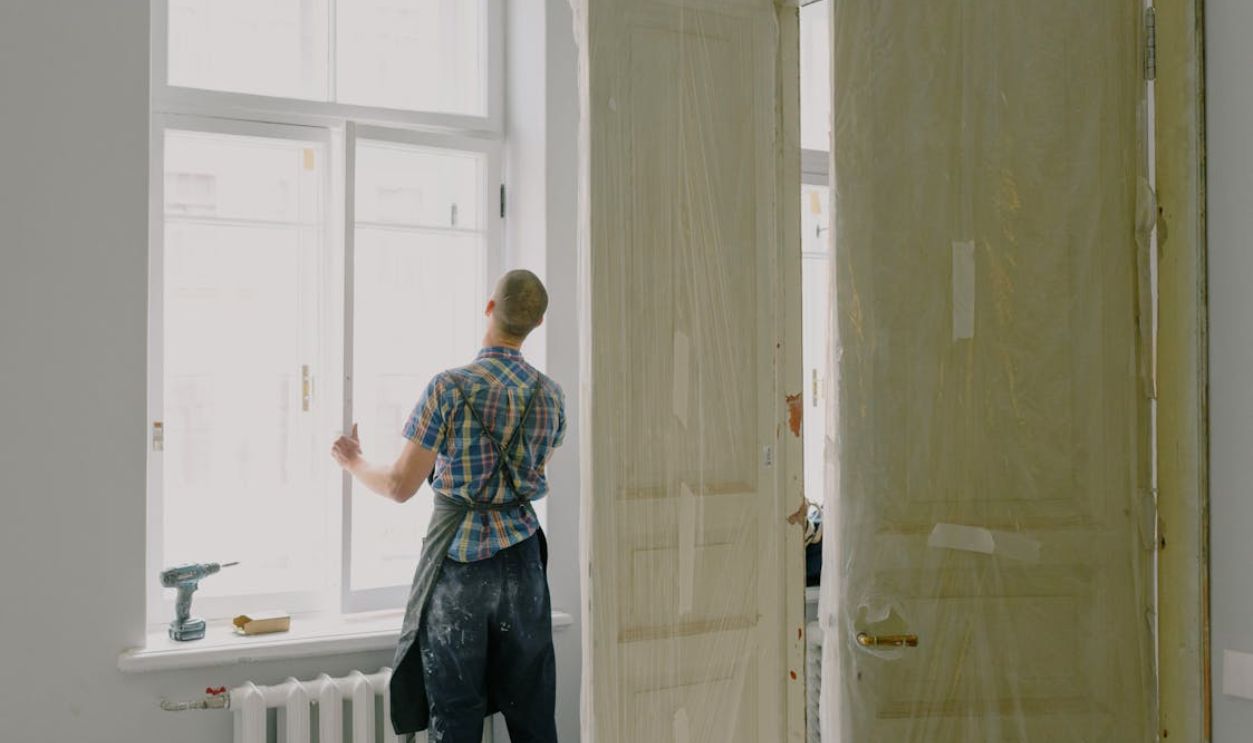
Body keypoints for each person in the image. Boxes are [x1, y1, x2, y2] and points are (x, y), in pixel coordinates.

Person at [331, 269, 565, 743]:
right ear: (538, 322)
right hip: (522, 564)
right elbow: (530, 471)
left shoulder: (450, 388)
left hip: (461, 566)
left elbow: (399, 486)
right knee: (533, 713)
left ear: (489, 307)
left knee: (456, 717)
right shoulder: (551, 396)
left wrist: (354, 462)